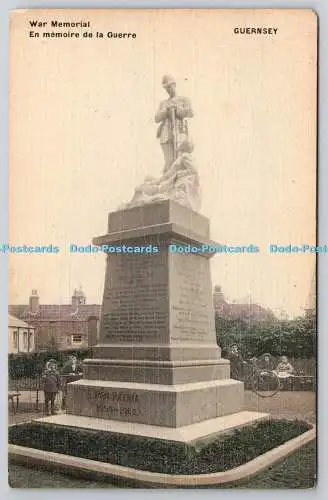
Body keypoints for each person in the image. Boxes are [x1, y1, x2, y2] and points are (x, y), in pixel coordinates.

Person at [155, 75, 193, 173]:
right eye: (166, 88)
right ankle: (166, 182)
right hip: (166, 133)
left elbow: (190, 112)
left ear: (174, 85)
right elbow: (157, 118)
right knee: (169, 162)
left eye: (169, 86)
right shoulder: (163, 103)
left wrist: (177, 109)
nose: (168, 90)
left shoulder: (184, 100)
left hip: (180, 131)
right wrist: (166, 111)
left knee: (180, 160)